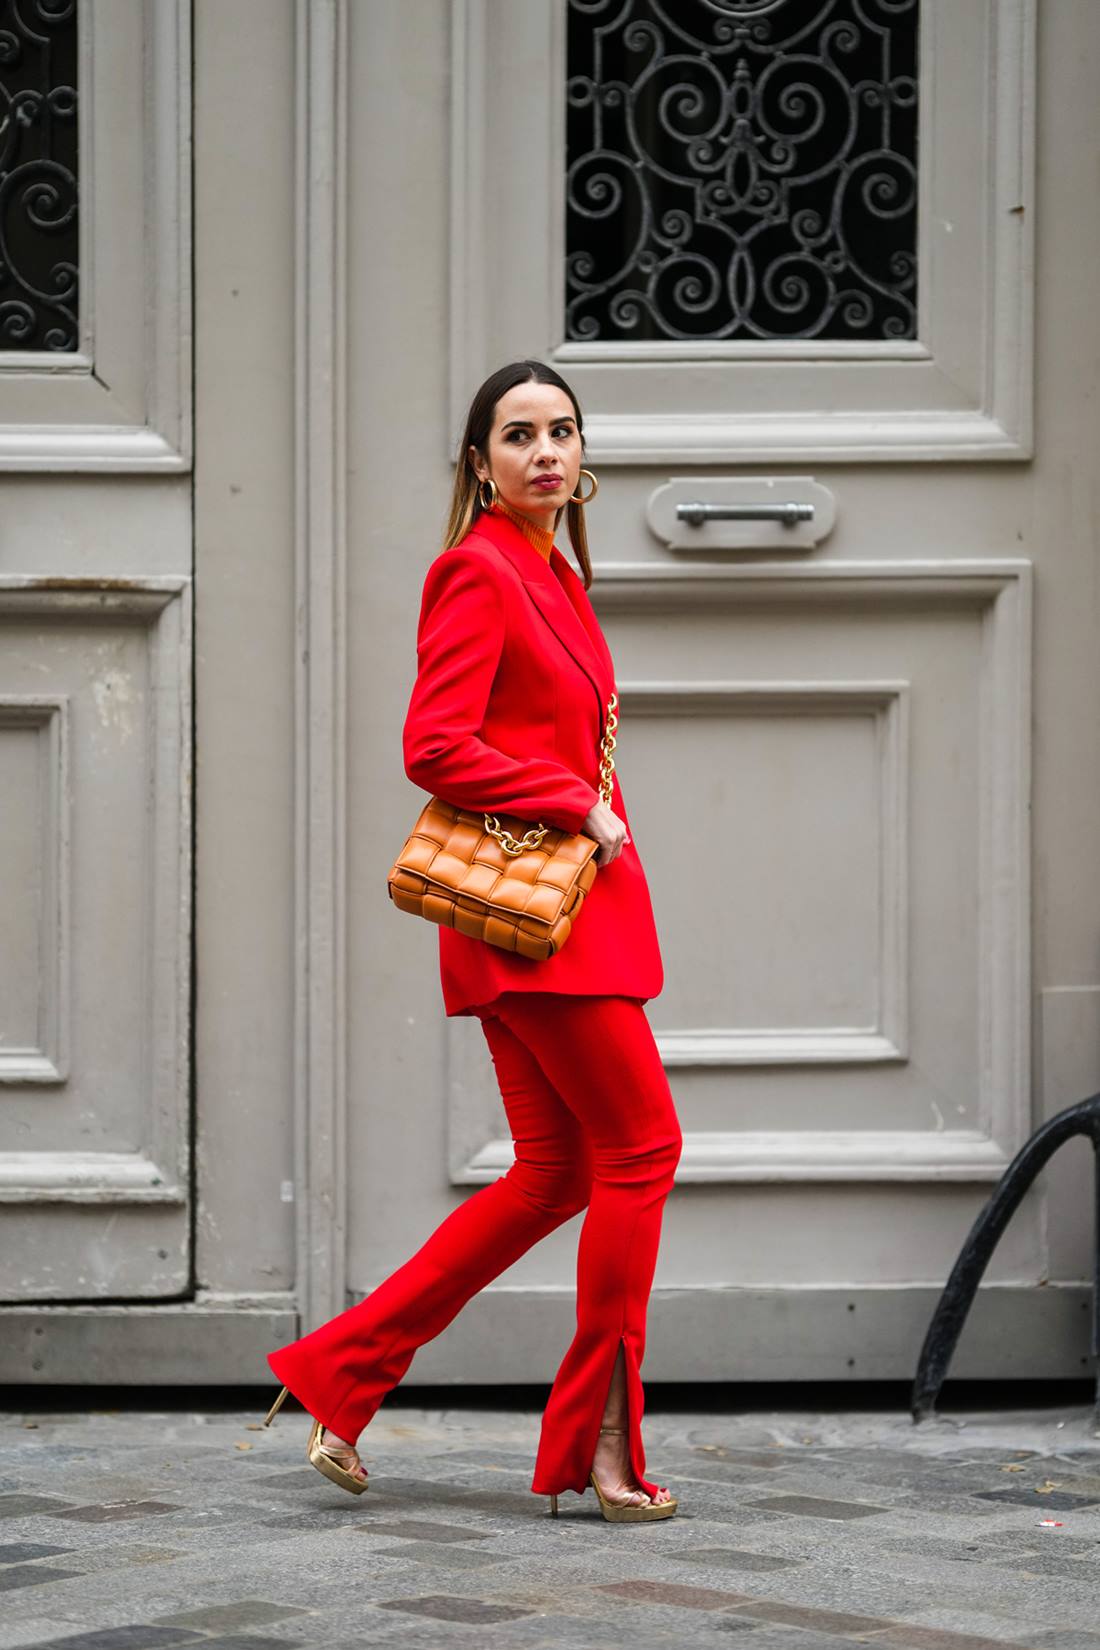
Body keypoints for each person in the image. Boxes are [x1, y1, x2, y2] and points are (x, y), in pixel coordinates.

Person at [262, 359, 683, 1522]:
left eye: (560, 431)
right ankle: (602, 1443)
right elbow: (432, 744)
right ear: (478, 461)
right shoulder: (476, 570)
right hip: (539, 932)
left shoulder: (553, 570)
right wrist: (573, 804)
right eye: (517, 435)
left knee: (554, 1174)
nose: (544, 451)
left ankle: (340, 1376)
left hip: (555, 924)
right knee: (642, 1151)